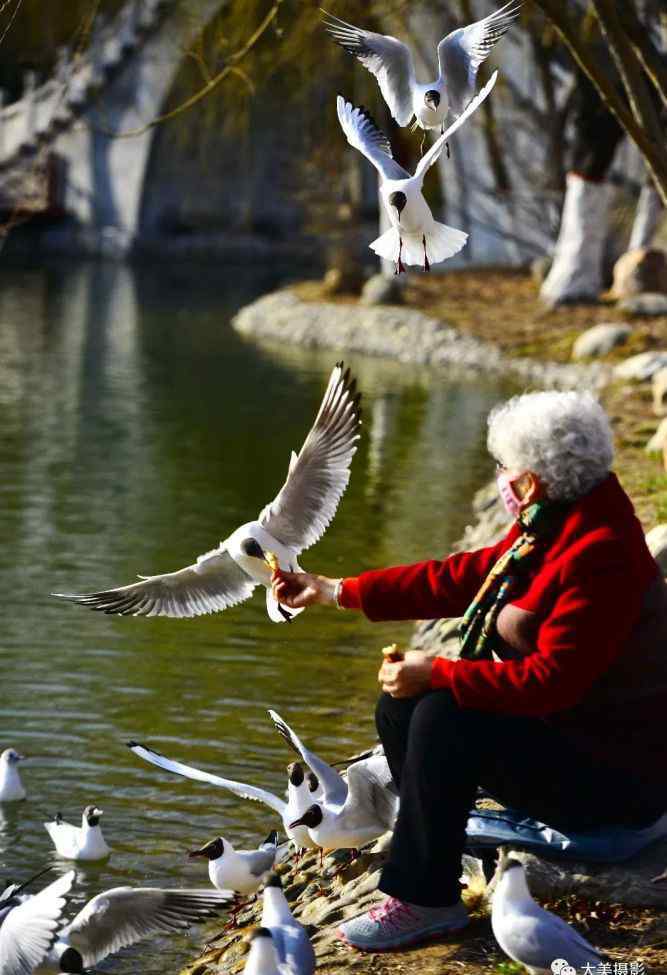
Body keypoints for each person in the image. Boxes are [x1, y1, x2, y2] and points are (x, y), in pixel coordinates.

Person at [271, 390, 667, 952]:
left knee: (442, 713)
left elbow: (553, 681)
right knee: (402, 704)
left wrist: (441, 673)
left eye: (504, 468)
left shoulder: (598, 552)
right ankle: (431, 848)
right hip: (581, 741)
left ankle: (424, 900)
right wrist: (337, 591)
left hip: (615, 785)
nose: (499, 477)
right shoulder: (564, 517)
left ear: (530, 482)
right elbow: (470, 574)